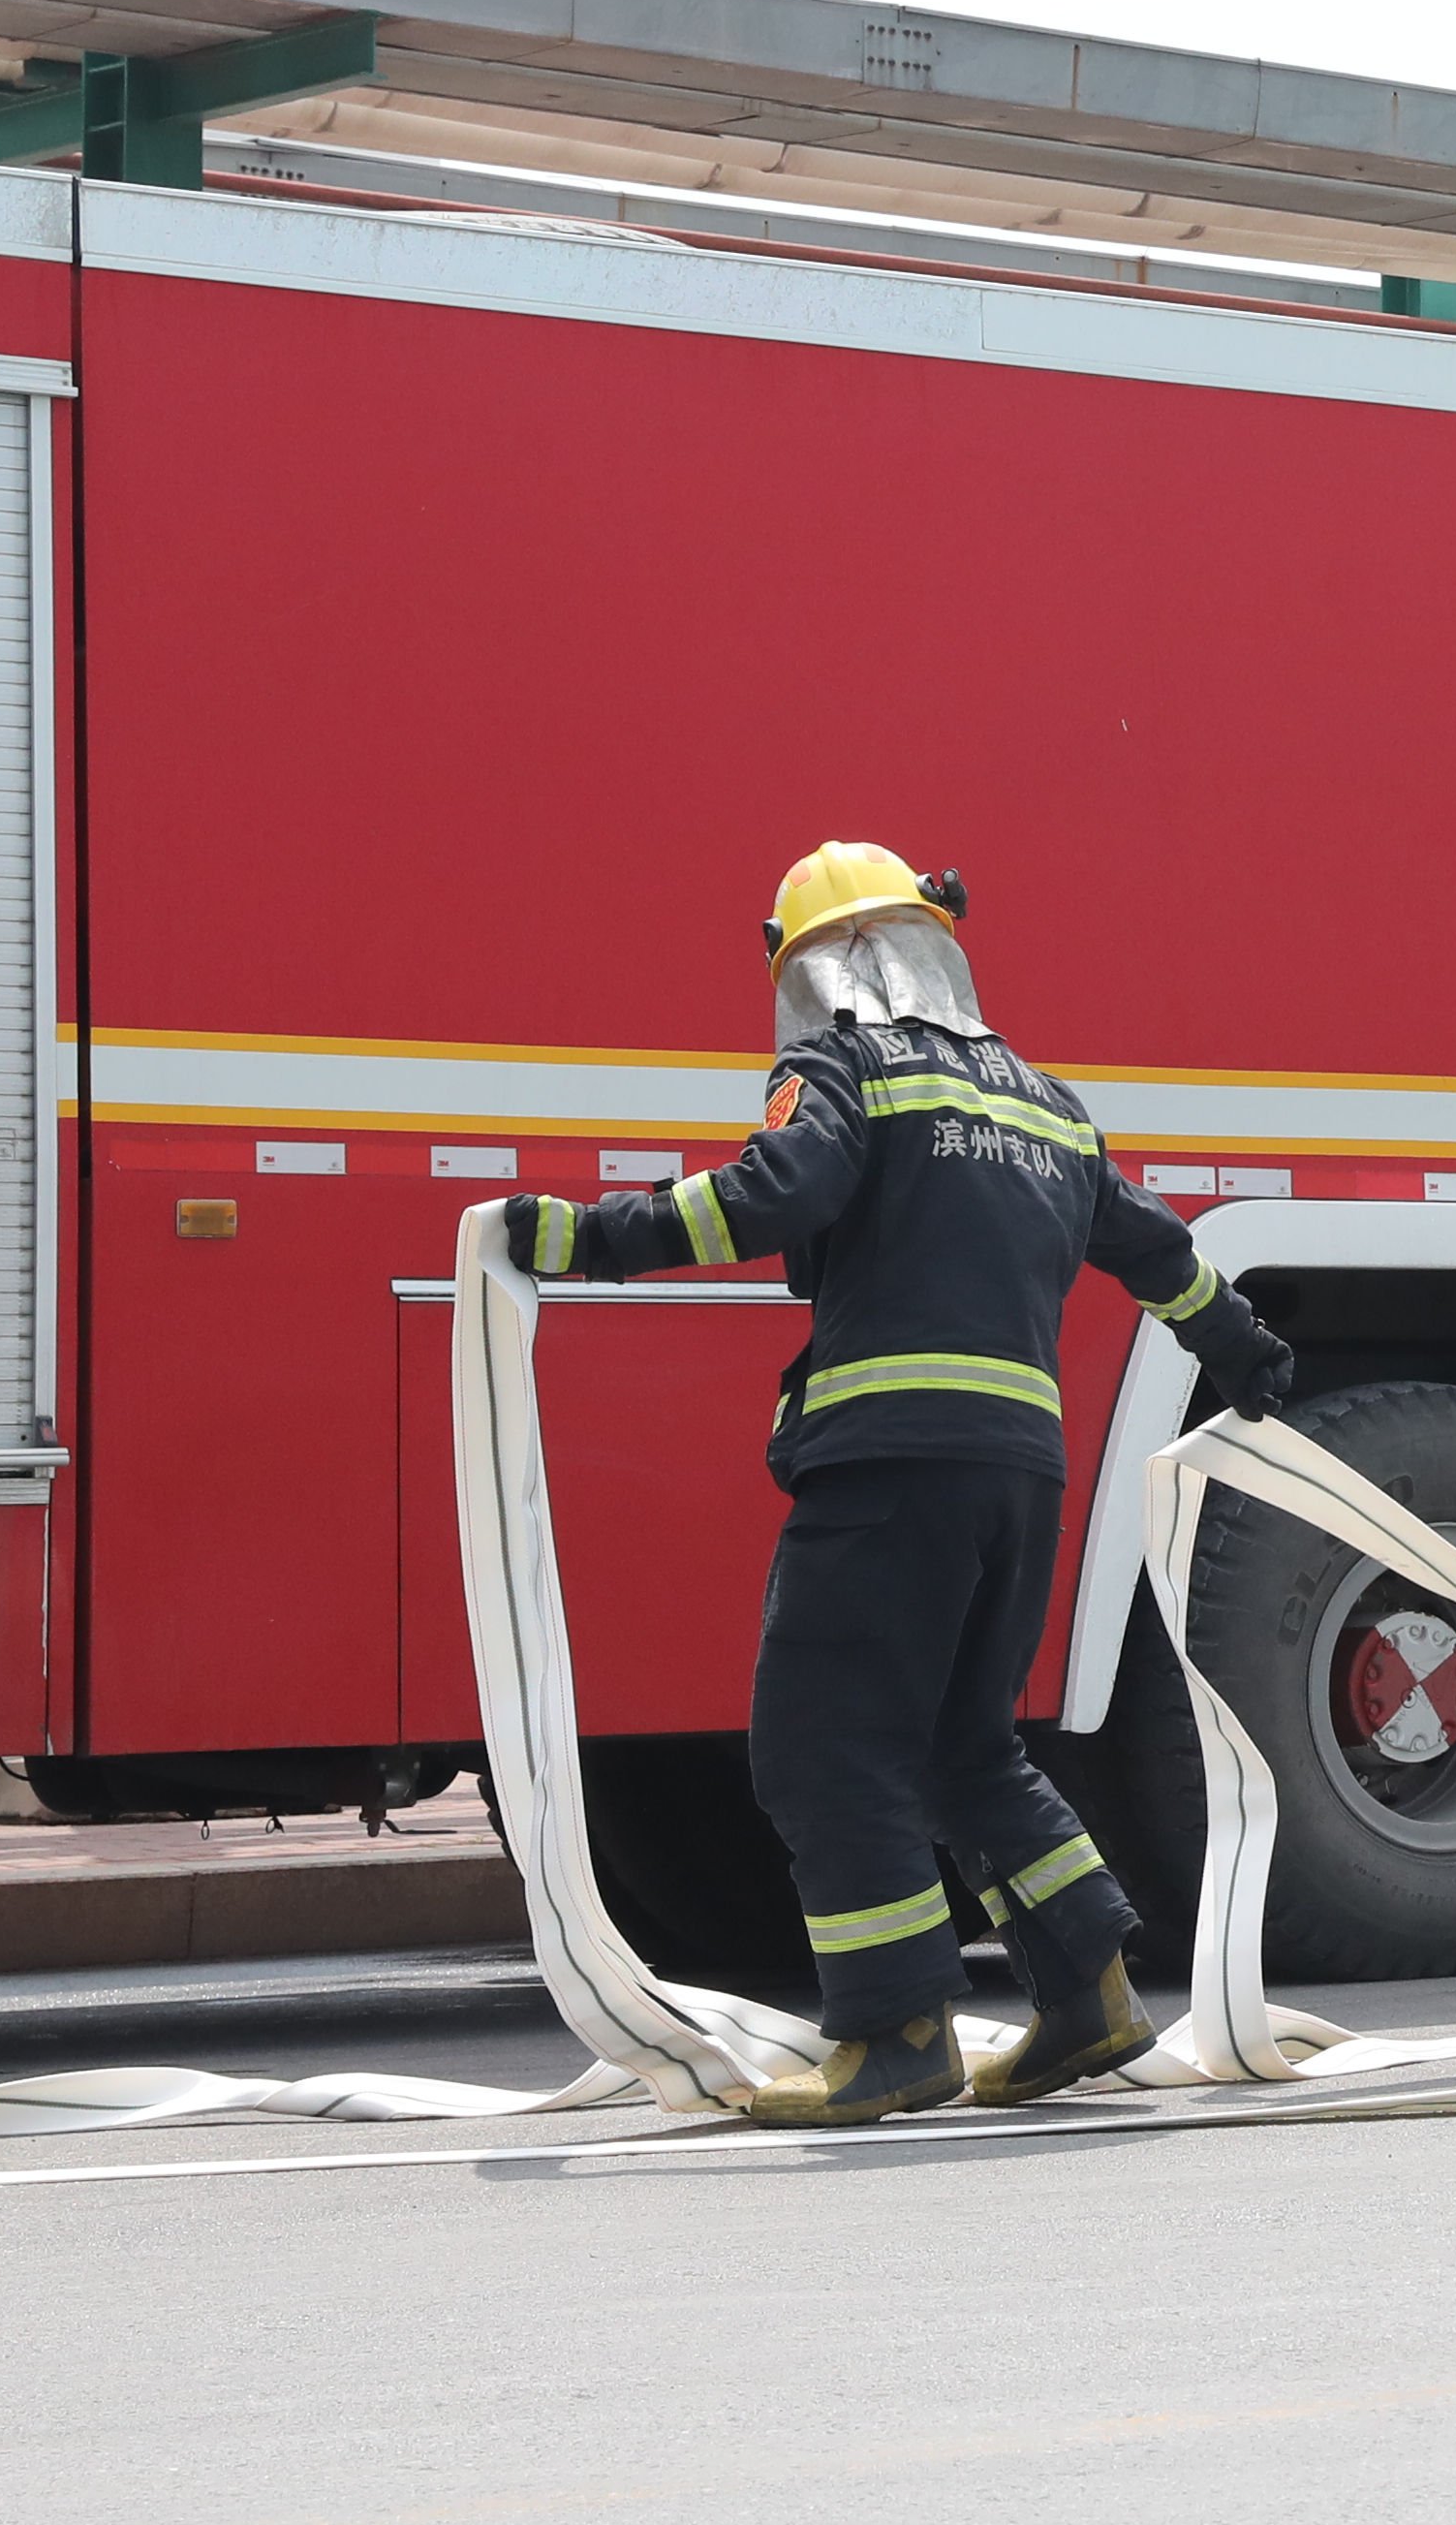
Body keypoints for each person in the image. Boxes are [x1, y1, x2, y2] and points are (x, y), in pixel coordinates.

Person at [503, 843, 1298, 2125]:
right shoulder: (1045, 1100)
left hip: (889, 1468)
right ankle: (1087, 1991)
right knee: (964, 1748)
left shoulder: (842, 1068)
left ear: (817, 970)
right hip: (1021, 1482)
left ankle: (893, 2033)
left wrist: (584, 1238)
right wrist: (1243, 1348)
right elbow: (1157, 1252)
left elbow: (778, 1192)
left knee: (825, 1749)